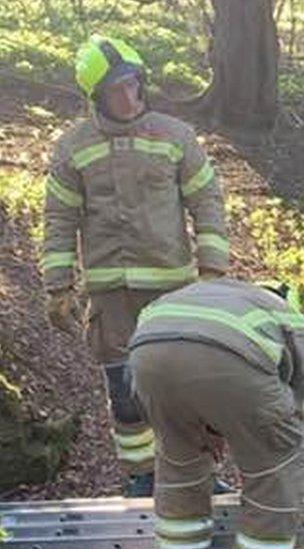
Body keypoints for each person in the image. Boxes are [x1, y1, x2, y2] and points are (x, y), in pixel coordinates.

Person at [42, 35, 229, 495]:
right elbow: (59, 218)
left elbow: (207, 200)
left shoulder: (175, 136)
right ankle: (142, 478)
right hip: (111, 293)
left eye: (132, 85)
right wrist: (57, 286)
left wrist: (212, 270)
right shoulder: (73, 148)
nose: (127, 98)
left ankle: (199, 475)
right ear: (95, 98)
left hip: (174, 287)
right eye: (114, 91)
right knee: (125, 395)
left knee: (186, 387)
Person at [129, 278, 304, 549]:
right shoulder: (290, 319)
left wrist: (205, 426)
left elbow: (191, 374)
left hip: (146, 351)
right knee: (275, 468)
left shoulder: (215, 297)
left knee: (179, 464)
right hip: (226, 354)